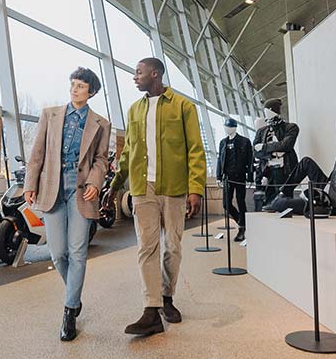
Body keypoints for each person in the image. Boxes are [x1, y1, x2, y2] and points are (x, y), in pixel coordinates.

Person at [105, 57, 206, 336]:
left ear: (155, 73)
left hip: (173, 186)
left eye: (138, 72)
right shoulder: (134, 109)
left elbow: (195, 149)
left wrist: (195, 188)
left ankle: (167, 297)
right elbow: (128, 152)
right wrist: (115, 185)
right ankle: (151, 310)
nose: (134, 77)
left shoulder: (183, 106)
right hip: (141, 188)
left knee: (173, 246)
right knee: (146, 247)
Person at [23, 68, 111, 342]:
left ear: (91, 91)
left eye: (81, 86)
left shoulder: (100, 124)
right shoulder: (50, 114)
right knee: (58, 252)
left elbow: (101, 160)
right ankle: (74, 294)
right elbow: (37, 152)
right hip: (52, 185)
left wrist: (96, 182)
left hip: (81, 187)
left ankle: (70, 310)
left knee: (77, 251)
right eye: (73, 85)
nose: (74, 90)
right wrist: (30, 184)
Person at [253, 98, 299, 210]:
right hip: (268, 170)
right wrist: (273, 153)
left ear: (273, 111)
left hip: (285, 168)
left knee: (284, 200)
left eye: (268, 111)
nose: (266, 114)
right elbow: (255, 151)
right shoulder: (262, 131)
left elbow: (286, 145)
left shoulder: (291, 127)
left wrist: (264, 147)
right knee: (268, 202)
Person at [216, 118, 253, 241]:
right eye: (225, 126)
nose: (226, 129)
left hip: (240, 176)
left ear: (234, 127)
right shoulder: (223, 142)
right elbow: (219, 160)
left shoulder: (245, 141)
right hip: (227, 177)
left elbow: (250, 160)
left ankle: (241, 230)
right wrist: (218, 176)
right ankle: (242, 223)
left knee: (241, 201)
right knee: (226, 204)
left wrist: (250, 177)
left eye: (228, 126)